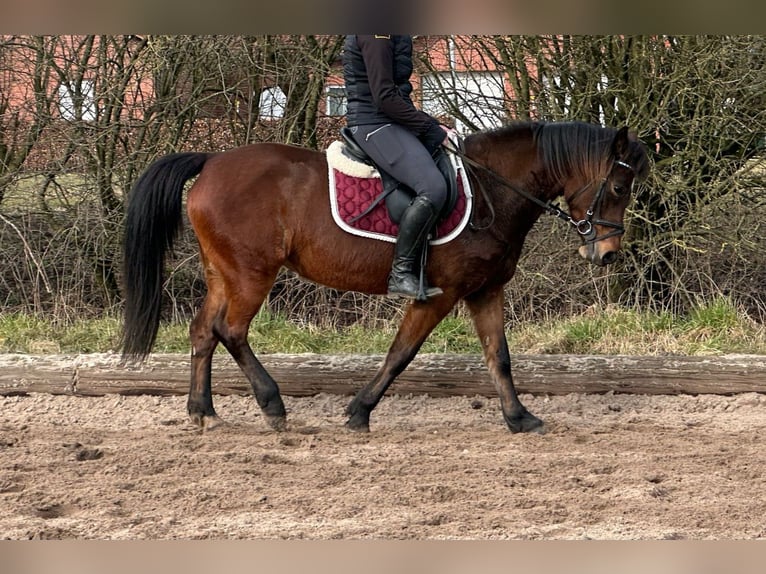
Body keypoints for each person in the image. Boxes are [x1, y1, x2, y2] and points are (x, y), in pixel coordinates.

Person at [343, 34, 455, 300]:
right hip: (374, 123)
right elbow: (384, 96)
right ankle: (401, 273)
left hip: (392, 120)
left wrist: (431, 124)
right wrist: (429, 128)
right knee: (433, 188)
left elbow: (399, 96)